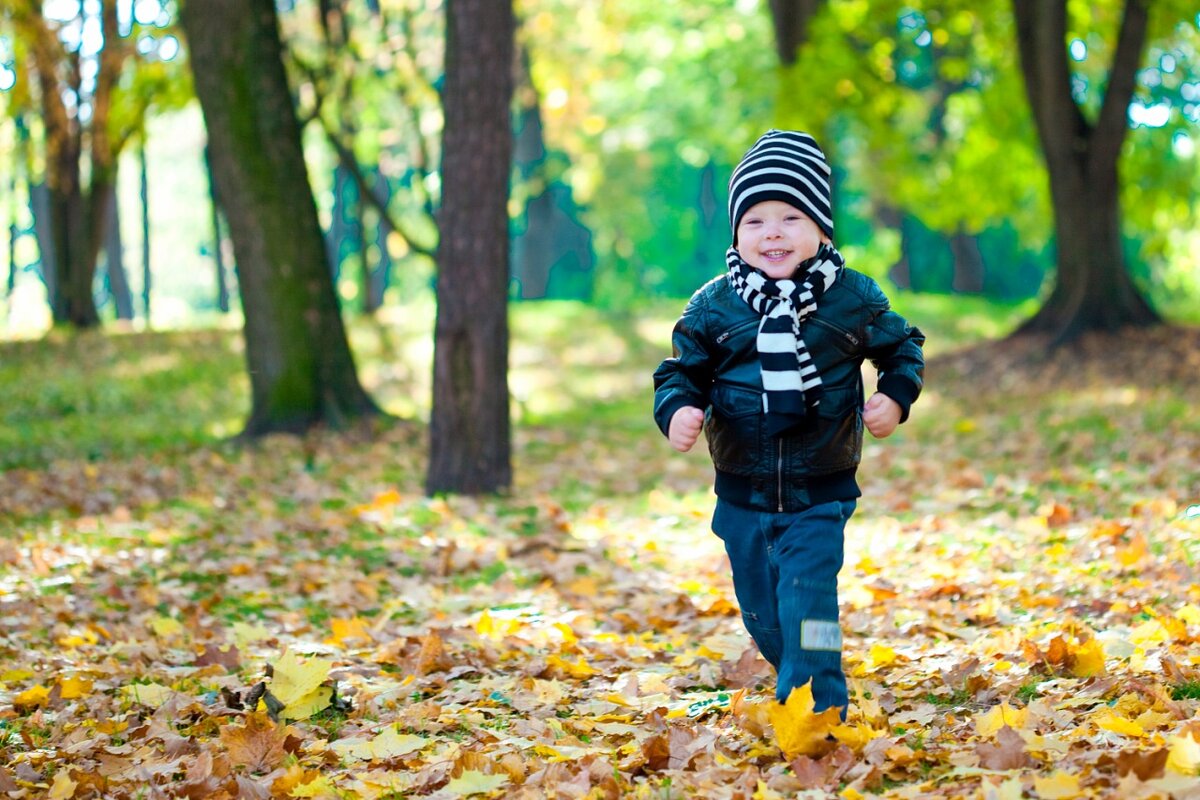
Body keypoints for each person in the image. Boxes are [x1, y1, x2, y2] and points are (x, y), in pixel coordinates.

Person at [652, 129, 925, 716]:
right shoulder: (714, 305)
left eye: (790, 217)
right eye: (754, 220)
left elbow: (903, 348)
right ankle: (800, 668)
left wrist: (895, 397)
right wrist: (678, 409)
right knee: (763, 614)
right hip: (742, 491)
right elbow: (678, 372)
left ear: (822, 228)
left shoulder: (851, 298)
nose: (772, 232)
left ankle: (821, 714)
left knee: (811, 606)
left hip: (818, 490)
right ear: (736, 233)